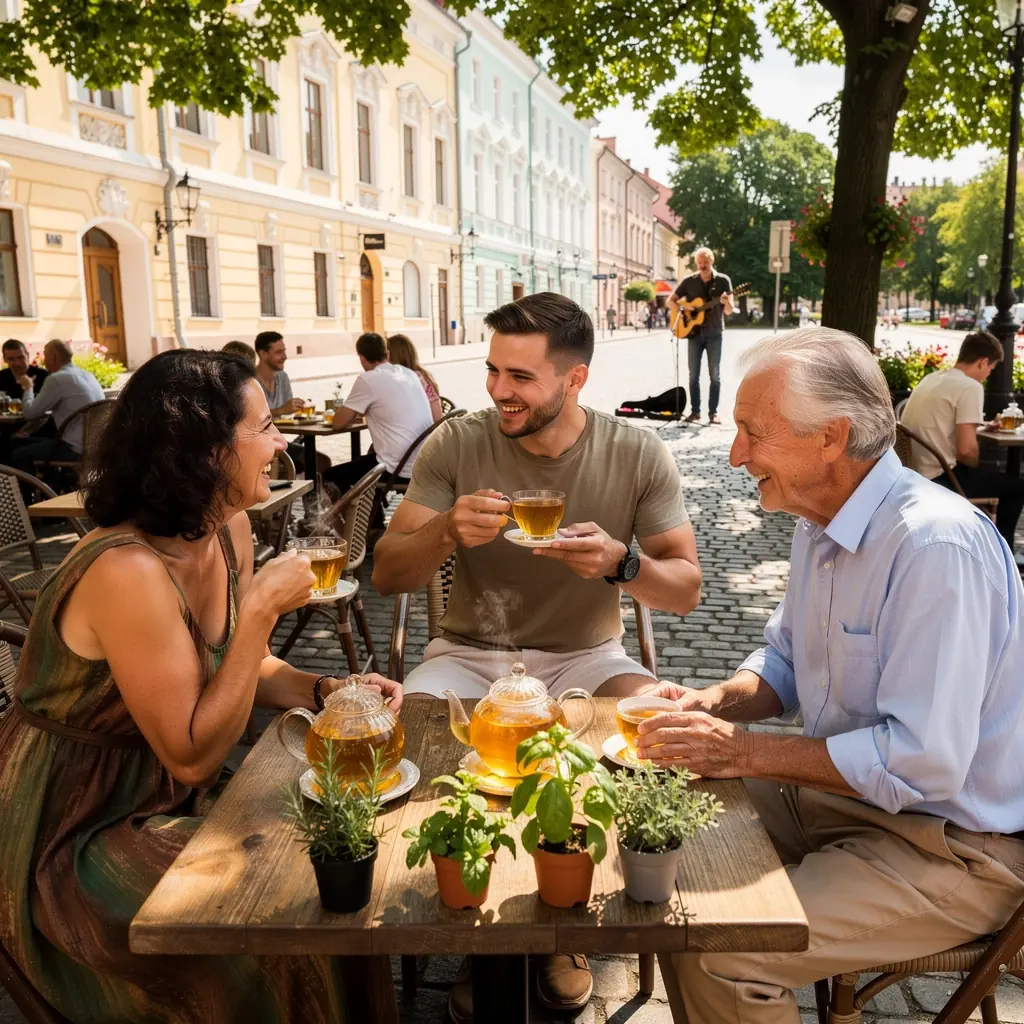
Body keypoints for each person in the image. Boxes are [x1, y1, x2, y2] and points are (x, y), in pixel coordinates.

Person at [0, 349, 404, 1024]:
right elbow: (192, 753)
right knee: (273, 912)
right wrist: (259, 615)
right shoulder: (124, 569)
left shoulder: (229, 529)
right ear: (204, 448)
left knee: (338, 864)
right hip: (71, 822)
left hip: (157, 792)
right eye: (265, 426)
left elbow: (227, 672)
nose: (281, 442)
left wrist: (323, 688)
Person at [633, 328, 1024, 1024]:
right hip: (854, 805)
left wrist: (742, 751)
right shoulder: (820, 522)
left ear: (831, 439)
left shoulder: (932, 545)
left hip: (956, 850)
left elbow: (921, 763)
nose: (735, 454)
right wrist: (713, 702)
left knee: (717, 946)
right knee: (660, 817)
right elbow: (783, 661)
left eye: (754, 432)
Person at [372, 292, 702, 1022]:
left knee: (652, 738)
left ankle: (560, 922)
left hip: (585, 655)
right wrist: (447, 534)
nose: (498, 391)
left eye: (520, 377)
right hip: (470, 653)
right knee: (415, 742)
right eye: (494, 371)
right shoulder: (459, 441)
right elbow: (388, 571)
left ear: (574, 379)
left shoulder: (635, 452)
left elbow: (685, 589)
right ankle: (470, 928)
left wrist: (621, 565)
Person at [902, 330, 1024, 551]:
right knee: (1017, 487)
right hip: (941, 478)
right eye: (990, 368)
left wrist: (982, 427)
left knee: (997, 479)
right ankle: (1001, 553)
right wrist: (979, 467)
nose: (987, 374)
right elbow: (966, 451)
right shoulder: (970, 387)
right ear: (983, 361)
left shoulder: (933, 378)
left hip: (912, 471)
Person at [323, 331, 434, 495]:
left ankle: (351, 520)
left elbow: (338, 423)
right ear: (387, 353)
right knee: (363, 465)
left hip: (397, 467)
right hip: (425, 460)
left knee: (329, 476)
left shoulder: (368, 379)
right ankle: (370, 520)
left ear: (361, 358)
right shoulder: (408, 373)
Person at [11, 339, 104, 473]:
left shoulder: (57, 378)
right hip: (96, 446)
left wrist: (28, 387)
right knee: (22, 442)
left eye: (45, 354)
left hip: (74, 448)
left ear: (52, 357)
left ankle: (29, 493)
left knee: (18, 454)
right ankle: (53, 485)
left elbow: (30, 413)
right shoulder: (88, 375)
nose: (44, 360)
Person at [669, 247, 733, 425]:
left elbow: (728, 310)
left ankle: (713, 413)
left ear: (712, 261)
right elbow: (670, 301)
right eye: (699, 263)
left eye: (705, 262)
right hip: (693, 334)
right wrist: (685, 310)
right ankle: (695, 412)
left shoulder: (722, 281)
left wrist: (726, 302)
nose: (702, 266)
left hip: (714, 333)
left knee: (715, 375)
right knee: (693, 375)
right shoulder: (689, 281)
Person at [253, 331, 314, 474]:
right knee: (311, 461)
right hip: (259, 447)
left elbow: (287, 417)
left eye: (284, 351)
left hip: (279, 443)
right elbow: (252, 421)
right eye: (279, 352)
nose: (285, 357)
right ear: (263, 354)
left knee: (320, 461)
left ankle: (313, 496)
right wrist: (280, 410)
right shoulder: (251, 382)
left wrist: (299, 412)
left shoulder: (283, 377)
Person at [386, 333, 443, 422]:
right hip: (433, 431)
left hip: (421, 433)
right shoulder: (424, 375)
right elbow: (438, 416)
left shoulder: (401, 379)